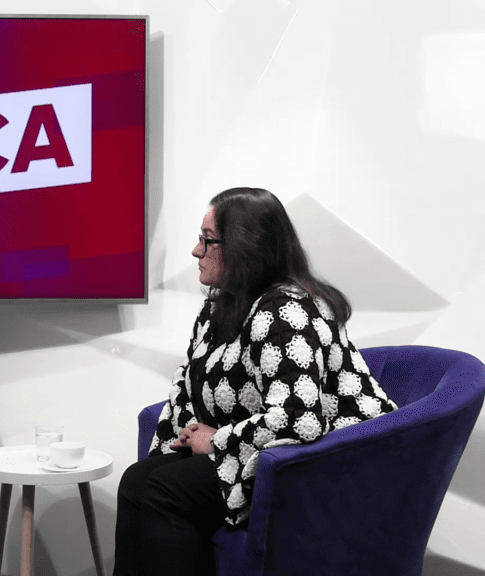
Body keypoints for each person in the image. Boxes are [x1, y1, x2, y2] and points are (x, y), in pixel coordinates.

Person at [113, 187, 397, 576]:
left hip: (326, 463)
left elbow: (299, 419)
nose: (196, 251)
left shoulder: (285, 311)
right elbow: (189, 383)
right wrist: (186, 432)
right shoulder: (221, 306)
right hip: (259, 451)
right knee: (136, 480)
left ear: (243, 247)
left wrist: (216, 440)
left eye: (207, 240)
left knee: (168, 489)